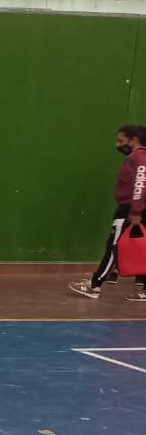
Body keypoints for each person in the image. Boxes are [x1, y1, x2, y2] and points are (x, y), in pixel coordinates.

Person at [70, 124, 146, 302]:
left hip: (130, 210)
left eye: (121, 140)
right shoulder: (137, 157)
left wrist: (135, 211)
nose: (118, 145)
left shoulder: (139, 157)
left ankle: (94, 285)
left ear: (134, 140)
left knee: (114, 247)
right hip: (135, 208)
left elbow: (140, 183)